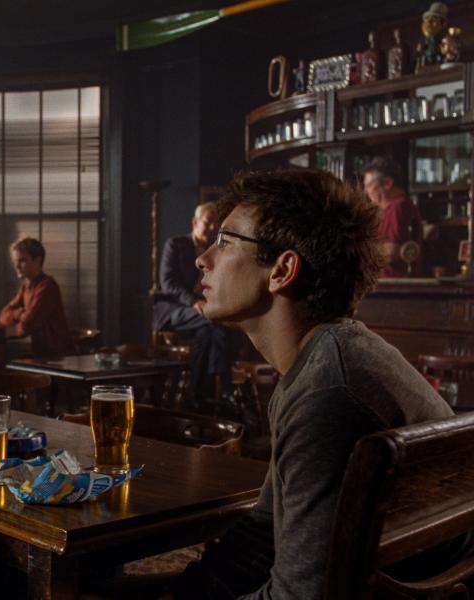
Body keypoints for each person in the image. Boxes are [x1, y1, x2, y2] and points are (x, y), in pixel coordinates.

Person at [163, 169, 457, 599]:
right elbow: (264, 531)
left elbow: (300, 596)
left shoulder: (328, 394)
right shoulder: (324, 361)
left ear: (282, 270)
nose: (202, 258)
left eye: (225, 242)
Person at [152, 202, 234, 404]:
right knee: (214, 321)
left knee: (206, 334)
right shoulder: (176, 244)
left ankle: (197, 393)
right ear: (195, 222)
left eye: (216, 223)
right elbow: (168, 282)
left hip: (204, 314)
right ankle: (225, 384)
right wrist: (193, 302)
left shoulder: (216, 250)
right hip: (175, 309)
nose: (213, 227)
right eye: (208, 222)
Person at [0, 237, 75, 357]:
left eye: (22, 261)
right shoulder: (26, 286)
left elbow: (26, 326)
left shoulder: (47, 287)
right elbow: (3, 316)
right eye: (15, 261)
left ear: (38, 260)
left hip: (58, 357)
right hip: (40, 354)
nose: (17, 266)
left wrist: (19, 321)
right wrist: (20, 313)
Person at [362, 156, 422, 277]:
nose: (366, 192)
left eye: (368, 185)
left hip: (390, 285)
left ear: (388, 183)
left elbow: (391, 252)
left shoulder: (396, 208)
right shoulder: (404, 205)